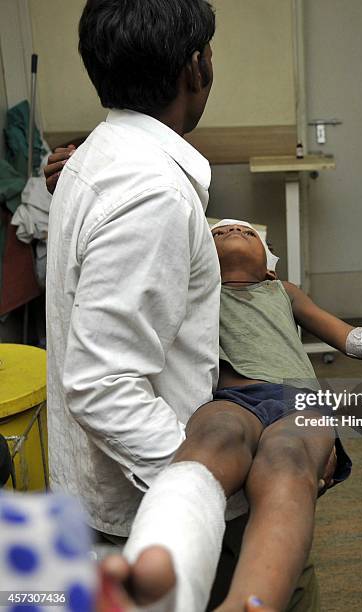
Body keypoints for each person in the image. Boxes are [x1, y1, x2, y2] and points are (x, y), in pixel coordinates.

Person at [46, 2, 324, 610]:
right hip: (146, 498)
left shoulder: (100, 159)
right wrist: (206, 484)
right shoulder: (153, 192)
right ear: (194, 69)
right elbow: (102, 385)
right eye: (210, 52)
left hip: (111, 485)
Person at [92, 219, 362, 611]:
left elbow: (356, 339)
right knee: (212, 439)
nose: (234, 229)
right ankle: (156, 579)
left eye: (247, 233)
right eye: (219, 232)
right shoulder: (194, 293)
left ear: (269, 268)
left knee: (287, 460)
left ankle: (253, 601)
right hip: (230, 400)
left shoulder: (283, 292)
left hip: (299, 402)